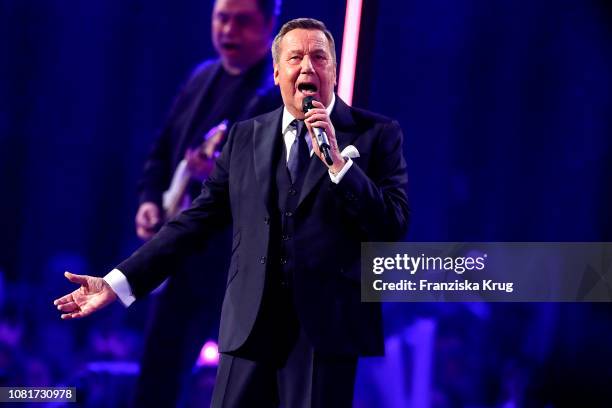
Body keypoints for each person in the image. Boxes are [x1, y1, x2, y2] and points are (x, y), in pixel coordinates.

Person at [54, 17, 409, 407]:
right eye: (295, 57)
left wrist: (340, 167)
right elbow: (194, 223)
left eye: (318, 57)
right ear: (277, 73)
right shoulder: (245, 137)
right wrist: (119, 282)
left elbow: (391, 226)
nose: (307, 67)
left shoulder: (376, 134)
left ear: (334, 70)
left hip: (323, 338)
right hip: (248, 333)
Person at [131, 0, 281, 406]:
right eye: (222, 18)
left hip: (237, 268)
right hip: (183, 258)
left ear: (269, 26)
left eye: (242, 21)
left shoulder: (275, 95)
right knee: (156, 378)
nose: (228, 30)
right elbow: (163, 151)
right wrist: (150, 201)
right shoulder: (202, 77)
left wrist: (215, 174)